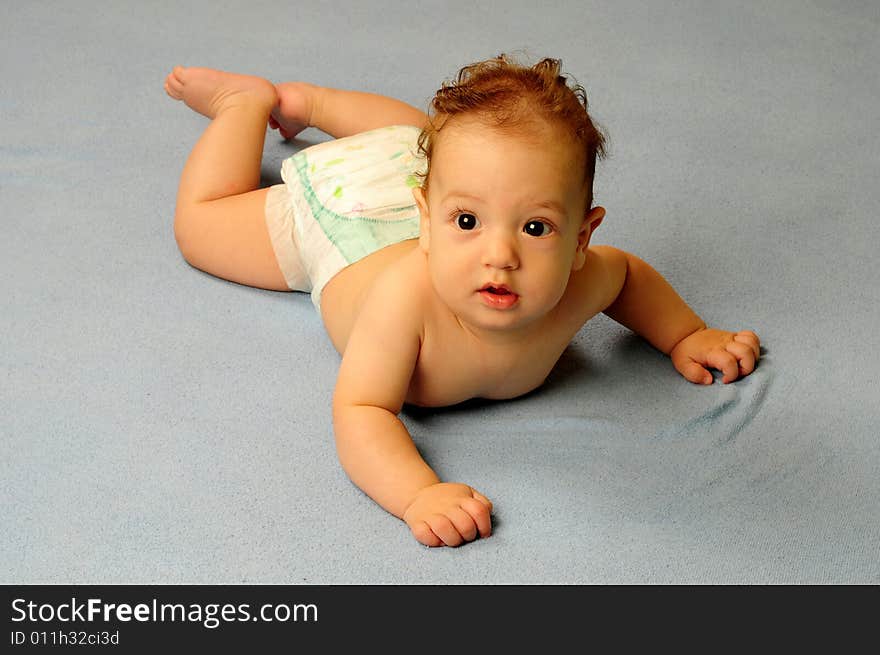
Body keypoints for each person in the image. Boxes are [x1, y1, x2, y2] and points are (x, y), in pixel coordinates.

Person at [164, 55, 761, 548]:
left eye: (535, 228)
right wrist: (416, 492)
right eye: (471, 222)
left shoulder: (580, 280)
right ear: (428, 221)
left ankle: (321, 109)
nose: (498, 256)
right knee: (202, 226)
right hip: (343, 228)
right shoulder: (406, 301)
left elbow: (628, 276)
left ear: (581, 238)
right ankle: (248, 104)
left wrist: (685, 334)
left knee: (417, 141)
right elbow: (363, 410)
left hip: (425, 179)